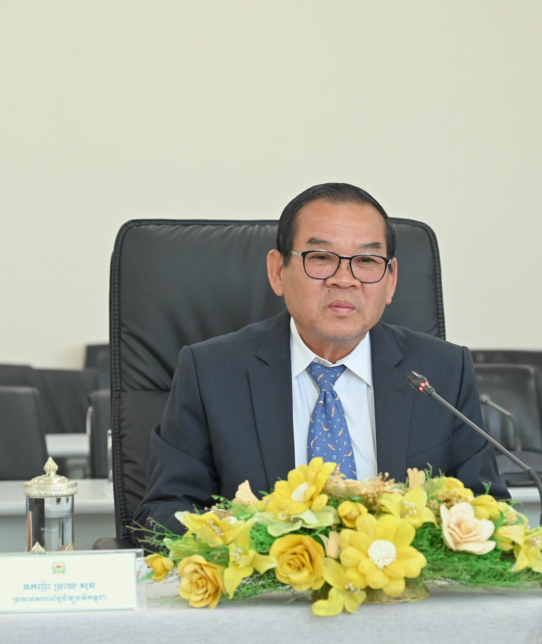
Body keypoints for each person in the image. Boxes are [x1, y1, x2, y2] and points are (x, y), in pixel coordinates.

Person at [135, 183, 507, 535]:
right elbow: (163, 511)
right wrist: (237, 536)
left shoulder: (442, 372)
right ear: (277, 271)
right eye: (321, 258)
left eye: (366, 260)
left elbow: (486, 507)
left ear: (391, 279)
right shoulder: (211, 372)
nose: (344, 279)